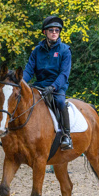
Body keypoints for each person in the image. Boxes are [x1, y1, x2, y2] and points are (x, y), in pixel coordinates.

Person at [22, 16, 73, 150]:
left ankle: (66, 136)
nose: (54, 32)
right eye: (51, 30)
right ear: (45, 32)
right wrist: (20, 81)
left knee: (61, 102)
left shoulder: (65, 50)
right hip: (39, 84)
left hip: (57, 87)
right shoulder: (37, 51)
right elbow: (29, 70)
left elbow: (64, 74)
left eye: (57, 30)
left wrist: (53, 87)